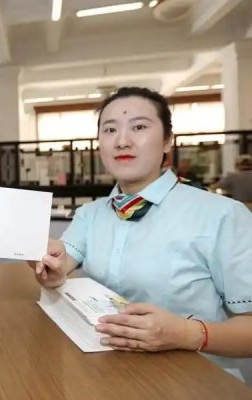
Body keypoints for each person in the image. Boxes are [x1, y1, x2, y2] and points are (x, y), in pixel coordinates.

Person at [29, 87, 252, 377]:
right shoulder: (90, 214)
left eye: (139, 127)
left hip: (196, 382)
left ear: (168, 140)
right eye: (110, 130)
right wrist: (52, 269)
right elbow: (63, 260)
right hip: (106, 374)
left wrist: (185, 333)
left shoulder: (224, 215)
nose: (122, 141)